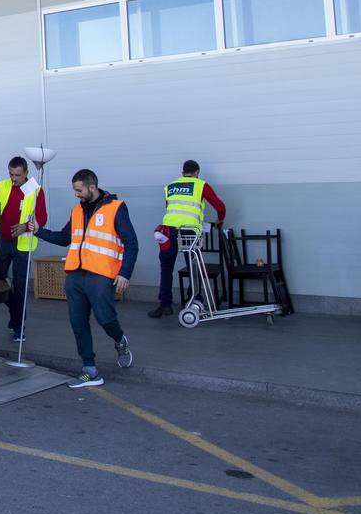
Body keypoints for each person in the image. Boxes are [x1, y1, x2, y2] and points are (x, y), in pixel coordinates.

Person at [23, 168, 138, 388]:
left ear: (92, 187)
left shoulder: (117, 209)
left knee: (106, 319)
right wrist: (38, 230)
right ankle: (90, 370)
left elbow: (131, 243)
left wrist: (125, 273)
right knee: (77, 322)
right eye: (74, 190)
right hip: (75, 275)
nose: (76, 194)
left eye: (79, 190)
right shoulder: (76, 211)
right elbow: (64, 238)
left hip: (101, 276)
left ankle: (120, 340)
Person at [0, 156, 48, 342]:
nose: (14, 178)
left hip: (22, 244)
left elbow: (42, 218)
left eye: (18, 175)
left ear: (26, 173)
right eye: (11, 174)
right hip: (3, 242)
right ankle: (15, 314)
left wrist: (25, 226)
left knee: (20, 285)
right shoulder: (2, 185)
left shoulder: (35, 190)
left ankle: (18, 326)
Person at [150, 159, 226, 318]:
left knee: (166, 268)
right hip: (189, 232)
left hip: (168, 232)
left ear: (182, 173)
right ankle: (194, 302)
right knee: (193, 268)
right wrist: (220, 220)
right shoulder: (201, 185)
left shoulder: (170, 186)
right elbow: (220, 207)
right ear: (197, 173)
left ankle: (165, 305)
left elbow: (170, 207)